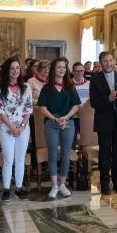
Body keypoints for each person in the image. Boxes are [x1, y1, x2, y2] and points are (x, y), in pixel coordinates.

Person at [90, 51, 117, 195]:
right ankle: (104, 183)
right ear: (101, 63)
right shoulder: (95, 79)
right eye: (105, 61)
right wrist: (108, 99)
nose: (108, 63)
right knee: (105, 153)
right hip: (104, 121)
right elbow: (94, 102)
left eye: (110, 60)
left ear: (114, 61)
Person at [37, 58, 81, 199]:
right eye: (58, 67)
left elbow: (76, 106)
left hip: (67, 122)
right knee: (53, 154)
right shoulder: (47, 87)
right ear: (53, 69)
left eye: (63, 67)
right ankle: (54, 185)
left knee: (66, 153)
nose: (61, 69)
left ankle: (63, 184)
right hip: (52, 122)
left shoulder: (70, 86)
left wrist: (66, 117)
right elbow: (42, 108)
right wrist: (55, 119)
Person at [0, 58, 33, 202]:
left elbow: (28, 108)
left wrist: (22, 126)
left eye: (17, 68)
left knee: (20, 158)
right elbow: (0, 110)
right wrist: (12, 127)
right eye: (12, 68)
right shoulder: (0, 88)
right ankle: (6, 189)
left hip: (23, 128)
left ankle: (18, 187)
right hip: (6, 128)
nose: (15, 71)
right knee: (8, 159)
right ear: (7, 70)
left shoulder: (26, 87)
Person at [71, 62, 90, 148]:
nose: (79, 73)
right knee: (71, 140)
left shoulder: (89, 84)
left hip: (86, 116)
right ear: (73, 72)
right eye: (77, 71)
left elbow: (91, 100)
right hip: (72, 117)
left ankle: (85, 160)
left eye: (81, 71)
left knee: (87, 140)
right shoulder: (68, 84)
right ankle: (72, 159)